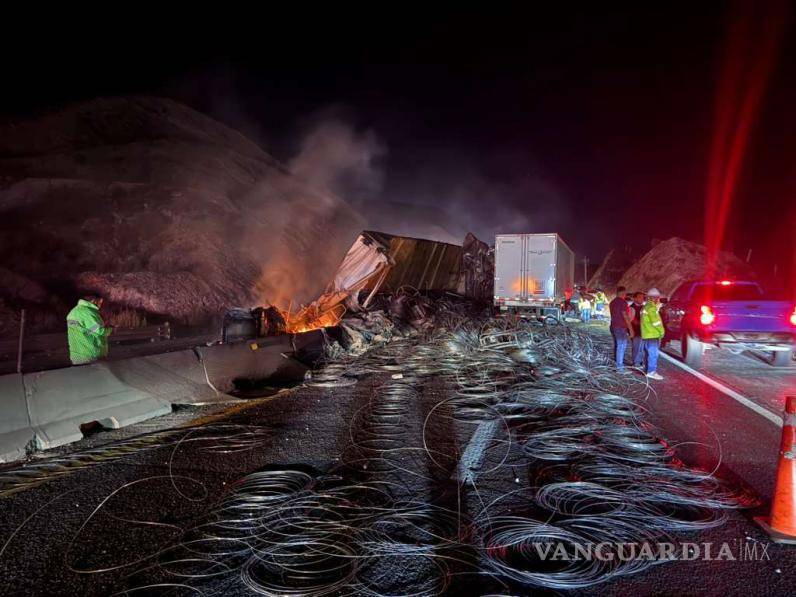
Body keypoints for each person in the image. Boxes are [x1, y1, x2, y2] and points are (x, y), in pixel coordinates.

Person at [66, 295, 114, 365]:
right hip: (91, 353)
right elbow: (99, 330)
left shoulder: (74, 311)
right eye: (100, 301)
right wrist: (111, 329)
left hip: (77, 354)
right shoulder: (89, 313)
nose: (100, 304)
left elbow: (88, 331)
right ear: (94, 300)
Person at [640, 287, 665, 380]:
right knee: (653, 354)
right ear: (653, 298)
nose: (658, 299)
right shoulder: (651, 308)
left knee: (648, 353)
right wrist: (662, 332)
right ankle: (651, 372)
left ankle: (647, 370)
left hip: (647, 334)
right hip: (652, 334)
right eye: (657, 297)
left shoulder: (646, 307)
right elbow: (656, 323)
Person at [609, 286, 634, 371]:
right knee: (621, 346)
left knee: (617, 345)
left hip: (613, 326)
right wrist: (631, 329)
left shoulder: (612, 302)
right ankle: (619, 367)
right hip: (620, 327)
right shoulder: (623, 302)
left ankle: (617, 364)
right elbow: (625, 316)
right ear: (623, 293)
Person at [629, 291, 646, 368]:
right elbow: (632, 320)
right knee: (637, 347)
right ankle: (636, 363)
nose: (642, 299)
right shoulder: (631, 308)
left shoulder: (644, 307)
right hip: (636, 331)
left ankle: (640, 362)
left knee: (642, 348)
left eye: (643, 297)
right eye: (640, 297)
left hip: (644, 331)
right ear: (635, 298)